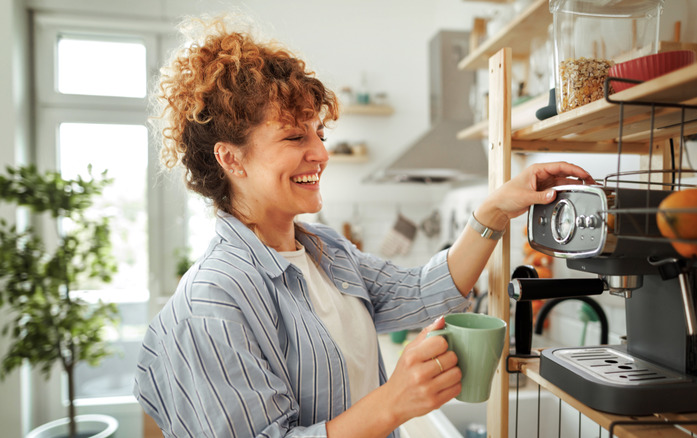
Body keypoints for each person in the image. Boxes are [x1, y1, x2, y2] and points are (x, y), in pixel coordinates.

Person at [133, 14, 595, 438]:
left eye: (319, 133)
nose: (320, 152)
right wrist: (392, 403)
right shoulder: (214, 299)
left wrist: (495, 209)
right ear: (231, 158)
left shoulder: (325, 251)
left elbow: (421, 292)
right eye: (295, 136)